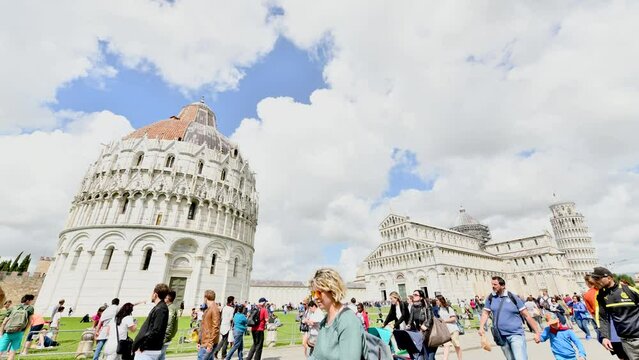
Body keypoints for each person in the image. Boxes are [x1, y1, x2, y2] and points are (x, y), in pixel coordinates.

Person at [479, 276, 541, 360]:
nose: (493, 286)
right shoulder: (490, 298)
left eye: (495, 284)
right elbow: (485, 313)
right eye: (492, 284)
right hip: (500, 336)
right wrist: (481, 327)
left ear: (502, 285)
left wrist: (537, 332)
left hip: (515, 334)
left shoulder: (512, 297)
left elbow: (526, 315)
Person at [308, 268, 363, 360]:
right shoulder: (324, 321)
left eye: (319, 292)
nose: (315, 297)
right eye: (313, 293)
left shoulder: (348, 321)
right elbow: (315, 356)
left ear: (333, 290)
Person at [591, 266, 639, 358]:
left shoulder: (629, 290)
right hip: (627, 342)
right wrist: (604, 337)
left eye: (598, 278)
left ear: (609, 278)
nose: (596, 281)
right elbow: (602, 318)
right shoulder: (601, 296)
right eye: (595, 279)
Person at [132, 283, 170, 360]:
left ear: (155, 294)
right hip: (147, 350)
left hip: (147, 351)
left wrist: (143, 346)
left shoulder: (161, 309)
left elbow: (156, 330)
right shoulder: (159, 308)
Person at [0, 294, 35, 360]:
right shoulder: (30, 308)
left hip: (7, 332)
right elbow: (30, 322)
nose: (31, 302)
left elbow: (4, 322)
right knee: (12, 352)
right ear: (28, 300)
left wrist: (1, 333)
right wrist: (24, 331)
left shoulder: (13, 308)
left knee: (0, 351)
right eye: (31, 301)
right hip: (19, 332)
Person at [407, 289, 437, 360]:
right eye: (413, 295)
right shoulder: (413, 307)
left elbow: (430, 318)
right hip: (420, 333)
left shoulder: (427, 306)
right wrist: (408, 325)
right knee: (425, 354)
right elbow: (411, 318)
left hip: (429, 333)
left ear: (421, 297)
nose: (413, 296)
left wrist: (426, 326)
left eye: (416, 295)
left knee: (430, 355)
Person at [436, 295, 462, 360]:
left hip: (453, 330)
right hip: (445, 331)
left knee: (457, 346)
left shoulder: (448, 308)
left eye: (437, 300)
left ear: (440, 300)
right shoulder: (438, 310)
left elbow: (454, 318)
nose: (436, 301)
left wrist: (444, 321)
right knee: (446, 346)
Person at [197, 290, 220, 360]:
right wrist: (199, 341)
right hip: (205, 341)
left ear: (206, 298)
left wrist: (210, 344)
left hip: (208, 342)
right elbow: (204, 326)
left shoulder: (214, 309)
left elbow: (215, 327)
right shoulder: (209, 308)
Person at [159, 291, 179, 360]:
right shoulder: (172, 307)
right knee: (161, 356)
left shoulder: (170, 308)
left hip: (165, 338)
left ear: (167, 298)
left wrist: (165, 339)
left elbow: (169, 324)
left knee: (158, 356)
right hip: (167, 337)